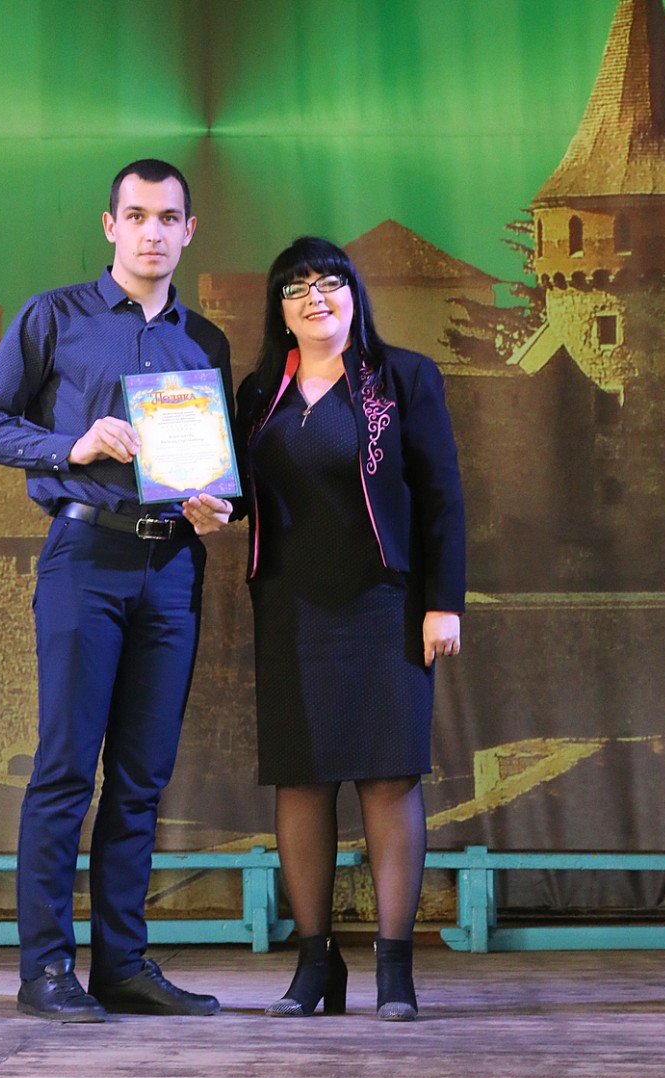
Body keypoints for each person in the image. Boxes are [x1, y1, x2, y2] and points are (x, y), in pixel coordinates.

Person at [0, 158, 240, 1021]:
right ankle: (46, 970)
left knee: (142, 779)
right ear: (110, 226)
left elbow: (216, 470)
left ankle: (123, 966)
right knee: (65, 770)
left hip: (173, 567)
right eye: (137, 216)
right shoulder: (54, 317)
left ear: (189, 232)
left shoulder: (206, 343)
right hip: (85, 556)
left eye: (169, 218)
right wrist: (70, 446)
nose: (153, 231)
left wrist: (216, 508)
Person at [237, 237, 465, 1021]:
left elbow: (440, 495)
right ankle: (314, 967)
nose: (315, 296)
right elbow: (235, 492)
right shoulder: (256, 392)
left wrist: (442, 601)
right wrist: (203, 503)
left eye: (329, 282)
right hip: (288, 608)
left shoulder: (402, 378)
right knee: (300, 781)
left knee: (387, 778)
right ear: (279, 309)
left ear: (353, 295)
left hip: (384, 604)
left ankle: (394, 971)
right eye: (296, 286)